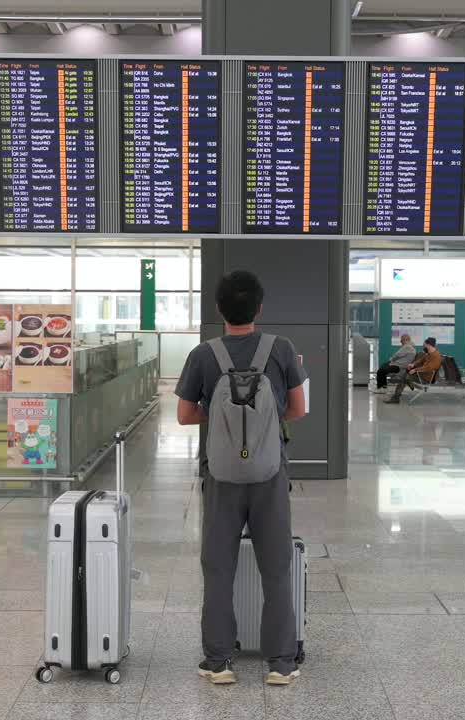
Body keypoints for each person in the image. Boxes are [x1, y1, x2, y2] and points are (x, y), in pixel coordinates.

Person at [175, 270, 308, 687]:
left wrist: (219, 418)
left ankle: (218, 662)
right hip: (270, 474)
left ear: (219, 309)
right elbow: (298, 409)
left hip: (220, 476)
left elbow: (183, 415)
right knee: (277, 568)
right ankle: (281, 663)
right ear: (259, 308)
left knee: (218, 569)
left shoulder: (203, 355)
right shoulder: (281, 349)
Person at [384, 336, 442, 404]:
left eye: (424, 345)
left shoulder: (436, 356)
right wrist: (413, 364)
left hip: (426, 378)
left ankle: (397, 397)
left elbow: (429, 368)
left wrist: (415, 370)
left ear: (428, 345)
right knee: (405, 375)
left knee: (404, 377)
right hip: (421, 374)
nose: (423, 347)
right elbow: (421, 360)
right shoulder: (429, 353)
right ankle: (406, 388)